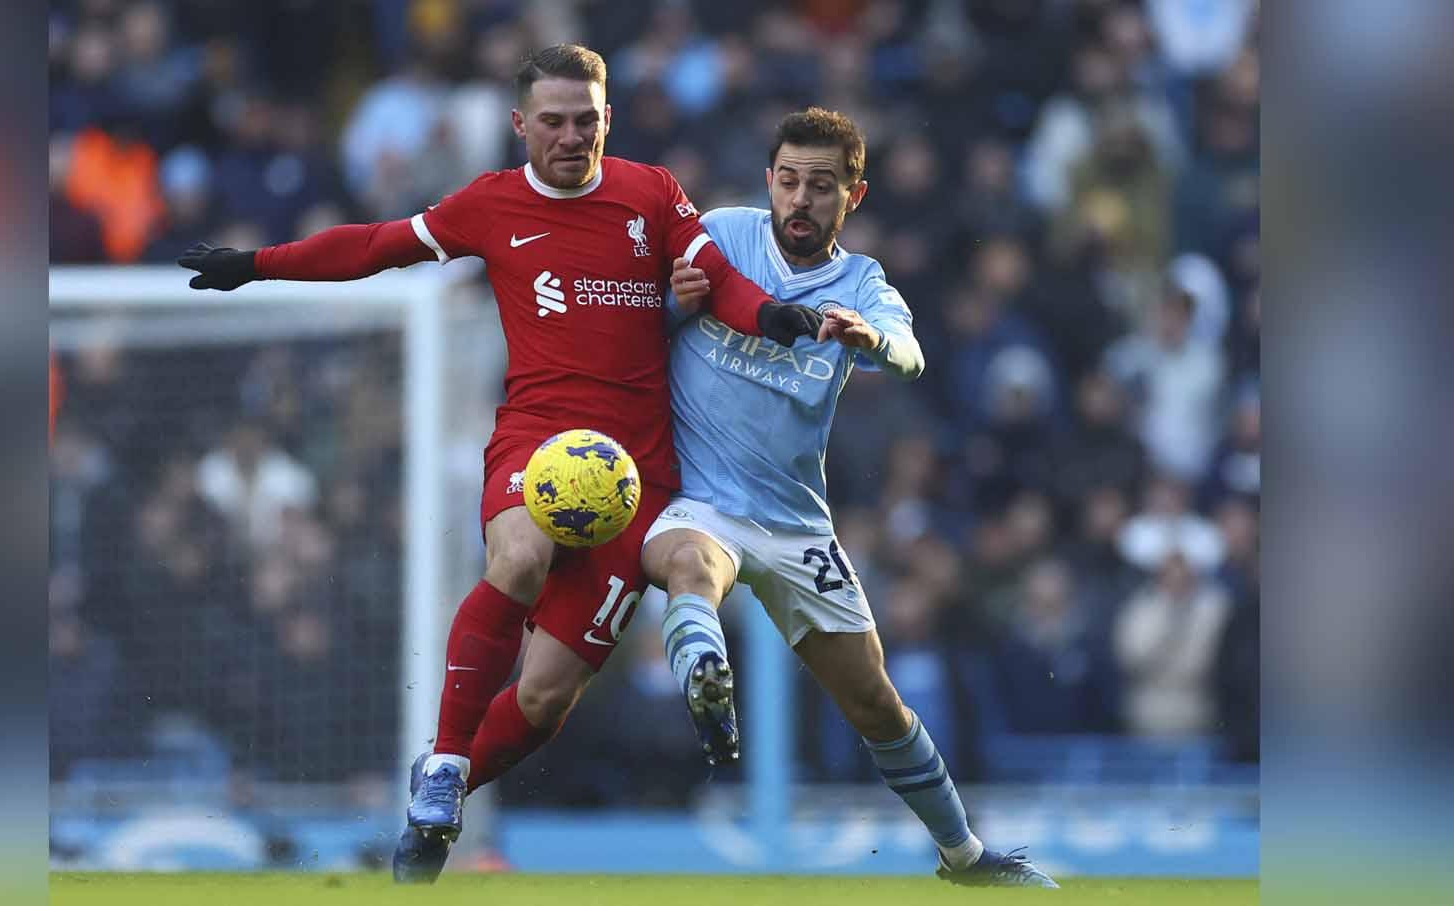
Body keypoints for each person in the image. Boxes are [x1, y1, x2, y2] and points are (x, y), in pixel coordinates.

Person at [176, 44, 824, 884]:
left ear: (607, 119)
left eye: (585, 120)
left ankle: (431, 810)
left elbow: (717, 277)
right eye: (552, 121)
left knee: (547, 699)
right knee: (518, 557)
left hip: (639, 477)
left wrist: (770, 317)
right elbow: (376, 245)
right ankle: (445, 762)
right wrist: (256, 266)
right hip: (539, 439)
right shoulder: (491, 204)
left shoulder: (650, 192)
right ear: (521, 125)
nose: (570, 136)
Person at [642, 107, 1057, 888]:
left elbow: (912, 356)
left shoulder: (862, 283)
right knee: (691, 565)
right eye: (789, 181)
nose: (801, 200)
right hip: (700, 497)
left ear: (853, 196)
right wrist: (674, 301)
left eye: (821, 187)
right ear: (769, 182)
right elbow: (638, 326)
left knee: (875, 704)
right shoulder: (724, 235)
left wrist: (871, 340)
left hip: (797, 522)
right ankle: (704, 675)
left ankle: (963, 857)